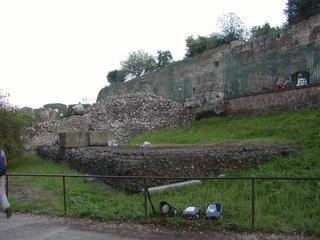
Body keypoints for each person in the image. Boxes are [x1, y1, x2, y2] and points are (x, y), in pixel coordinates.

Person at [0, 148, 12, 218]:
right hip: (1, 175)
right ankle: (7, 207)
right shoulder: (1, 151)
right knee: (2, 192)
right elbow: (5, 163)